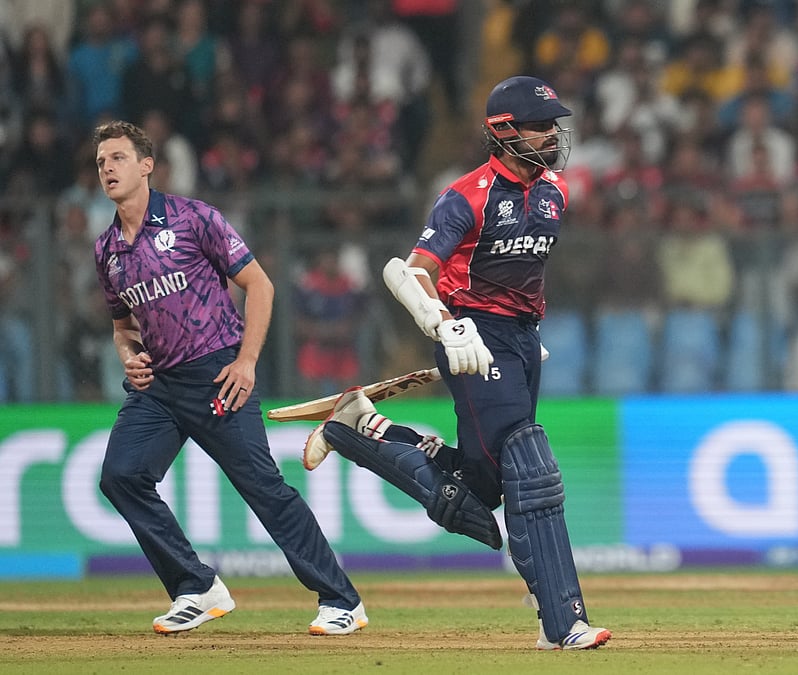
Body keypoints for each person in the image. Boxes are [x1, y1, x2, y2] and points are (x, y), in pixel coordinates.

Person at [301, 75, 611, 651]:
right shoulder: (466, 196)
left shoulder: (555, 193)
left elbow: (525, 274)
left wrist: (528, 330)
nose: (553, 136)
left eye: (554, 126)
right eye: (541, 126)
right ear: (504, 131)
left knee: (476, 493)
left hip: (520, 340)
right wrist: (447, 324)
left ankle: (359, 428)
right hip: (472, 336)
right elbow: (413, 271)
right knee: (530, 465)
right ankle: (562, 621)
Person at [91, 120, 366, 636]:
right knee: (120, 477)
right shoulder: (107, 249)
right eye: (102, 161)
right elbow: (122, 326)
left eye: (118, 157)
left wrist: (246, 361)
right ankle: (196, 586)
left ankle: (341, 601)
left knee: (263, 488)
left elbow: (259, 285)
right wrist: (129, 354)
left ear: (147, 166)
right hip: (158, 386)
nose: (107, 168)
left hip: (217, 373)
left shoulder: (194, 218)